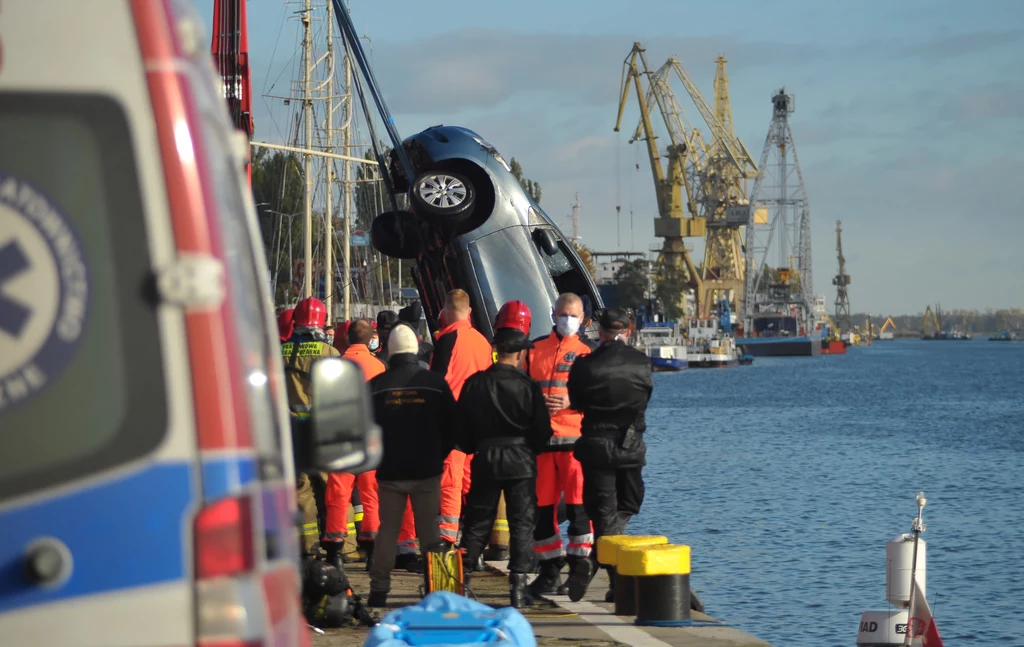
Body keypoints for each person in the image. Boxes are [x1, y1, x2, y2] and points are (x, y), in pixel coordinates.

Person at [457, 300, 552, 608]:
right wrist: (531, 450)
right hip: (522, 460)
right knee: (522, 522)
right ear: (522, 352)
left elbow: (463, 427)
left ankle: (464, 579)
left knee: (477, 521)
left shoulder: (475, 383)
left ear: (495, 349)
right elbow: (542, 430)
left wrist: (475, 447)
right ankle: (518, 586)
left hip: (486, 458)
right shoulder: (529, 386)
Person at [366, 325, 459, 607]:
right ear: (416, 349)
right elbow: (453, 427)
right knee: (430, 532)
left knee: (388, 532)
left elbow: (365, 429)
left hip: (390, 472)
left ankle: (379, 590)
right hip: (426, 470)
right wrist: (437, 455)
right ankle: (437, 589)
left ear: (390, 350)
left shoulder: (376, 387)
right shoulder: (435, 383)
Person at [566, 307, 653, 602]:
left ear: (600, 332)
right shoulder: (642, 363)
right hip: (630, 446)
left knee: (603, 514)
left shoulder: (584, 365)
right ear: (627, 331)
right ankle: (610, 577)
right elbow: (645, 399)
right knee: (629, 503)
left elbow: (576, 403)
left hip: (595, 446)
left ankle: (593, 561)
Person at [526, 293, 594, 596]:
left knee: (579, 509)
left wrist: (572, 399)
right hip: (542, 442)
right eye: (563, 314)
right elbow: (524, 389)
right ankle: (549, 570)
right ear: (554, 314)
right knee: (543, 511)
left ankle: (580, 570)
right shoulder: (535, 350)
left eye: (574, 315)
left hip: (574, 443)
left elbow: (598, 397)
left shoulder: (587, 354)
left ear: (582, 320)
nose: (568, 320)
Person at [322, 320, 388, 572]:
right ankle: (372, 552)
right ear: (371, 339)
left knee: (338, 494)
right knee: (371, 494)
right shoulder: (378, 366)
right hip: (370, 437)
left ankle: (335, 551)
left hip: (341, 435)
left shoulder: (335, 365)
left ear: (347, 339)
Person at [430, 289, 493, 545]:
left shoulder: (447, 340)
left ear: (445, 311)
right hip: (478, 422)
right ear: (469, 311)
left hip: (452, 422)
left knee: (450, 481)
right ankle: (474, 542)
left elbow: (437, 383)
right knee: (471, 483)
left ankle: (446, 537)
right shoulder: (482, 341)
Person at [281, 298, 340, 559]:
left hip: (292, 430)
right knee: (333, 487)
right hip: (324, 428)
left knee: (301, 490)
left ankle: (307, 546)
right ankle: (343, 546)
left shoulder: (279, 351)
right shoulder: (329, 353)